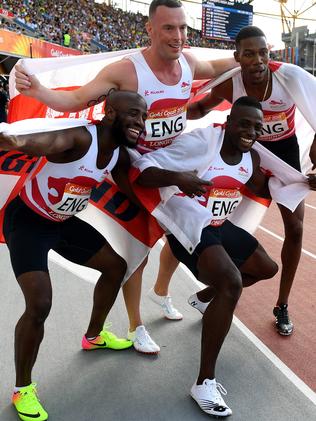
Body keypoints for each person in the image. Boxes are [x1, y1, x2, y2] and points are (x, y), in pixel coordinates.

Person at [14, 0, 238, 354]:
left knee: (176, 233)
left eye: (182, 28)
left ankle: (161, 292)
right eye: (168, 28)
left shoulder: (188, 63)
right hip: (133, 170)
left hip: (171, 163)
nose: (178, 36)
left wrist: (257, 58)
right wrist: (39, 92)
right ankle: (136, 326)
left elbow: (225, 64)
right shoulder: (127, 71)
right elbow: (76, 100)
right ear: (150, 29)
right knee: (141, 244)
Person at [133, 96, 316, 416]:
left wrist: (306, 183)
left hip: (215, 227)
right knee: (232, 281)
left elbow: (275, 186)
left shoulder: (250, 160)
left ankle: (205, 298)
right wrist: (180, 178)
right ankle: (203, 383)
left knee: (266, 267)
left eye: (257, 127)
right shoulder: (202, 142)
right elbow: (143, 166)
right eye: (244, 124)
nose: (251, 131)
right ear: (229, 122)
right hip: (185, 227)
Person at [0, 90, 147, 421]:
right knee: (39, 304)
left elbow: (136, 191)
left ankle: (93, 336)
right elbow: (37, 142)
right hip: (28, 222)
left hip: (64, 224)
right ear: (110, 115)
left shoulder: (119, 155)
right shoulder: (79, 138)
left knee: (116, 266)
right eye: (134, 114)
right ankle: (23, 389)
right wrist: (10, 138)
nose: (140, 122)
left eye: (144, 117)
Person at [184, 26, 316, 336]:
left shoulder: (290, 77)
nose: (258, 61)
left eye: (263, 53)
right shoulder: (232, 83)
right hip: (250, 154)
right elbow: (201, 107)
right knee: (218, 216)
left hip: (285, 155)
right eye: (249, 54)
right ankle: (196, 283)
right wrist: (167, 116)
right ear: (237, 58)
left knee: (296, 228)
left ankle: (282, 304)